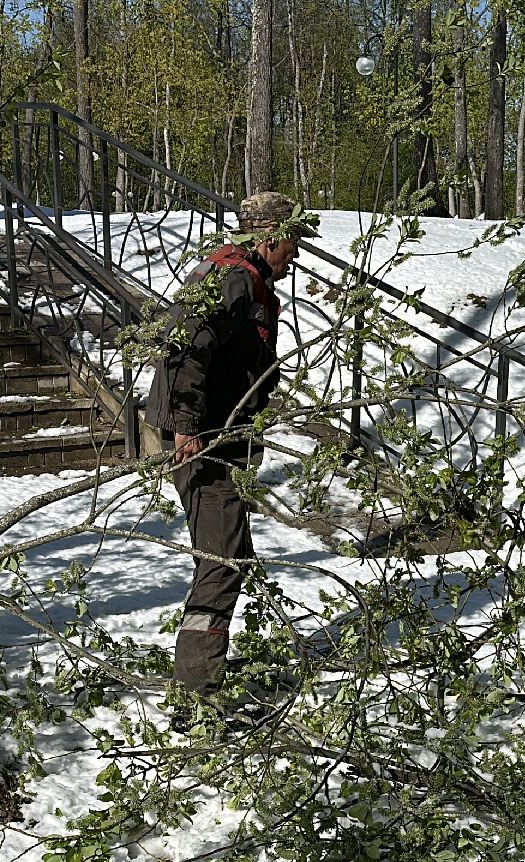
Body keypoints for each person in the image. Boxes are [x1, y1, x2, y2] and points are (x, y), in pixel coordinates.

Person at [144, 191, 315, 700]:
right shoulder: (233, 277)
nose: (297, 254)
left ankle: (204, 666)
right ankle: (197, 693)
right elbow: (184, 350)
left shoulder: (248, 278)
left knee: (229, 550)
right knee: (222, 561)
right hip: (203, 442)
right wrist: (186, 426)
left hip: (222, 437)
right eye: (293, 241)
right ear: (268, 237)